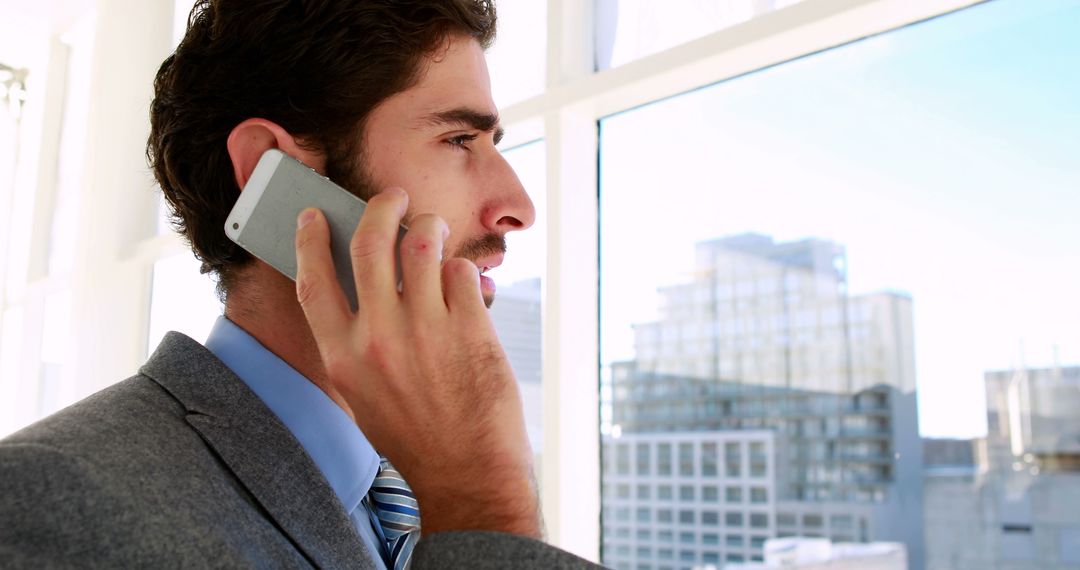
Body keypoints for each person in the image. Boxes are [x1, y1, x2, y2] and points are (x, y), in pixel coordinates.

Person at [0, 1, 602, 568]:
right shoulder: (48, 498)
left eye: (494, 143)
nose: (518, 207)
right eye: (458, 140)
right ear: (272, 170)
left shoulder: (423, 485)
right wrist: (486, 507)